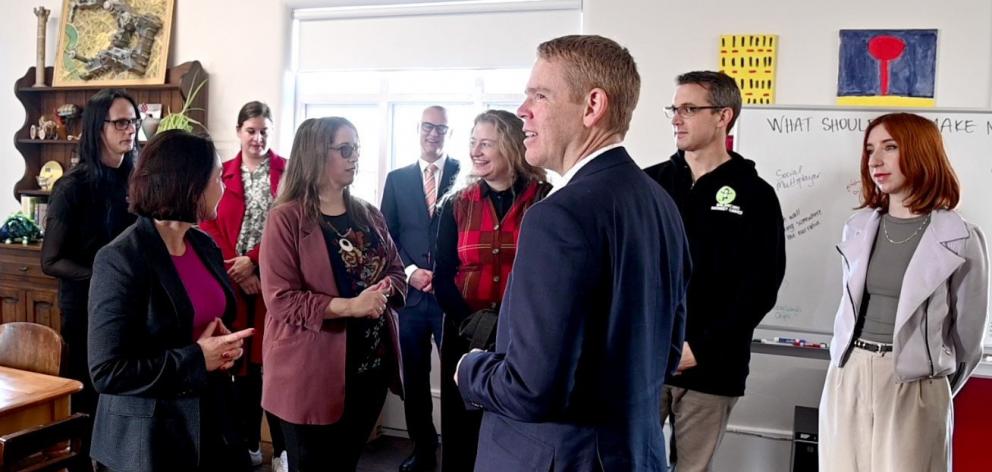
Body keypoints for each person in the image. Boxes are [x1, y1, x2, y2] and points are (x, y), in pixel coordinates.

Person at [455, 35, 691, 471]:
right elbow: (668, 352)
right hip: (635, 455)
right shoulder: (660, 205)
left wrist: (469, 370)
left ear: (592, 106)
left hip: (558, 457)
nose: (522, 111)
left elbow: (530, 389)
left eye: (539, 95)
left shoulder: (556, 216)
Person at [818, 112, 989, 471]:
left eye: (890, 148)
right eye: (869, 150)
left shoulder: (960, 236)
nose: (875, 161)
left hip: (915, 382)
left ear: (920, 152)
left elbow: (968, 342)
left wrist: (930, 386)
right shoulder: (858, 227)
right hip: (848, 374)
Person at [88, 130, 255, 471]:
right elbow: (107, 371)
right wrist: (197, 358)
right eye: (217, 177)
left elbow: (206, 322)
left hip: (210, 421)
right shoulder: (120, 258)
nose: (223, 186)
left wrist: (223, 348)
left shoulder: (204, 245)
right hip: (148, 438)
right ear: (189, 183)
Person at [644, 71, 786, 472]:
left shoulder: (756, 195)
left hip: (713, 369)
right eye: (674, 109)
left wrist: (699, 349)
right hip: (645, 360)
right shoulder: (648, 183)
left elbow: (760, 288)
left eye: (689, 109)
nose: (676, 118)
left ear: (724, 116)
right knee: (628, 462)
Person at [260, 117, 408, 472]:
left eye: (356, 148)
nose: (354, 156)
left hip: (367, 370)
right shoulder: (286, 219)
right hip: (309, 377)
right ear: (314, 155)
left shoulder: (368, 214)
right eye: (345, 149)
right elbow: (280, 300)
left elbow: (397, 271)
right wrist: (352, 306)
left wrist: (382, 294)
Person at [433, 109, 551, 471]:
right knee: (461, 432)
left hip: (523, 336)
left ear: (513, 147)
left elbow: (550, 275)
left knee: (514, 430)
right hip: (463, 334)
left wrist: (506, 323)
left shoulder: (545, 200)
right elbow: (443, 275)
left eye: (486, 143)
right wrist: (474, 323)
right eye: (472, 143)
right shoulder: (455, 203)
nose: (476, 151)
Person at [198, 101, 287, 469]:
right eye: (251, 130)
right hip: (230, 280)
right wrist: (239, 267)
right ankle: (249, 442)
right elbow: (209, 223)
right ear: (239, 132)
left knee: (276, 367)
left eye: (264, 130)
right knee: (241, 369)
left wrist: (254, 260)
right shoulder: (223, 171)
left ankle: (283, 450)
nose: (257, 137)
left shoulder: (286, 170)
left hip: (273, 279)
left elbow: (290, 223)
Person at [41, 88, 139, 417]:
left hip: (130, 302)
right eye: (121, 123)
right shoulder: (71, 187)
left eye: (134, 121)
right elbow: (51, 260)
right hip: (85, 306)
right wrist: (104, 276)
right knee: (89, 397)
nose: (131, 130)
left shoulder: (137, 180)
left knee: (125, 396)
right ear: (99, 128)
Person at [380, 105, 460, 472]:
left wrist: (442, 275)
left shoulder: (464, 174)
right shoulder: (397, 179)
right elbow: (387, 236)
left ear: (448, 133)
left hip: (449, 298)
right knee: (413, 379)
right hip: (410, 299)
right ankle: (423, 450)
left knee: (456, 379)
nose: (434, 134)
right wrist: (410, 271)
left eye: (441, 129)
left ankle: (457, 453)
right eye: (428, 127)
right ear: (418, 129)